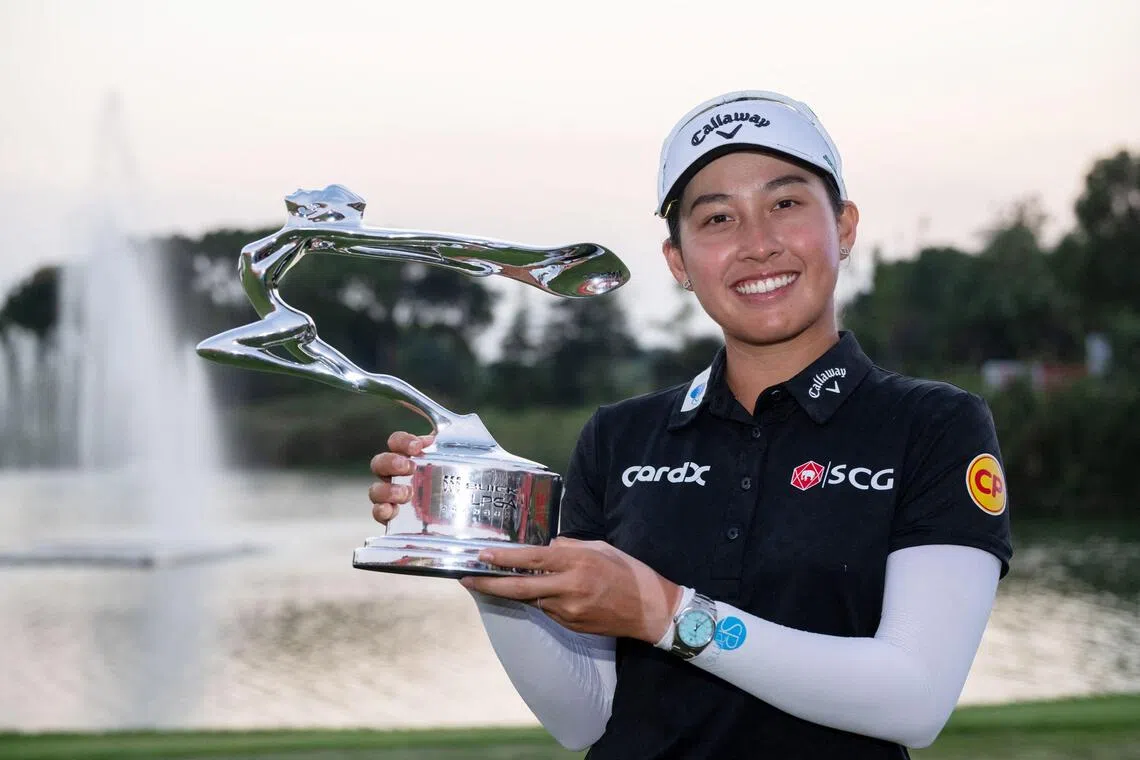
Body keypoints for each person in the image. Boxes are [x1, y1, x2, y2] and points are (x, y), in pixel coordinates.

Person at [367, 90, 1012, 759]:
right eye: (717, 219)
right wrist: (478, 551)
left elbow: (914, 699)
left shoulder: (935, 426)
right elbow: (583, 718)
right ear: (678, 261)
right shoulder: (620, 436)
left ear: (844, 226)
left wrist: (668, 613)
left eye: (785, 204)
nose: (758, 245)